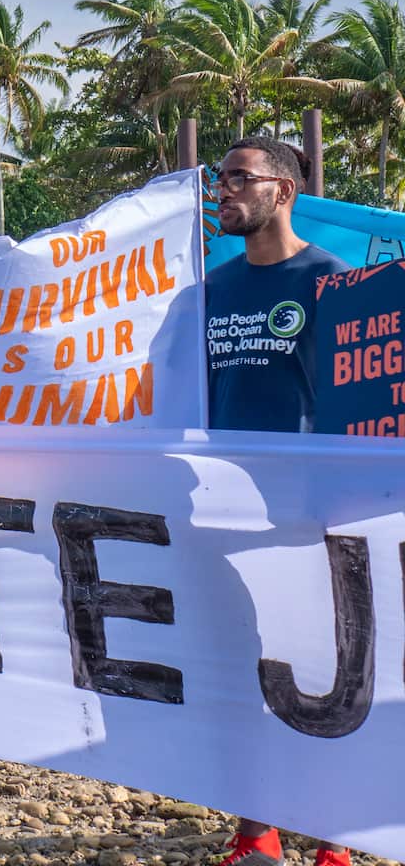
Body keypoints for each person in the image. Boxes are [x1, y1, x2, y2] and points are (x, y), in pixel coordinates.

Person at [205, 137, 351, 866]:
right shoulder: (211, 290)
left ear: (283, 190)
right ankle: (256, 833)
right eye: (220, 178)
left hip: (314, 515)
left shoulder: (335, 283)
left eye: (240, 178)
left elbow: (364, 402)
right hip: (225, 509)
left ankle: (335, 840)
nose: (224, 190)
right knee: (244, 670)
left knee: (327, 675)